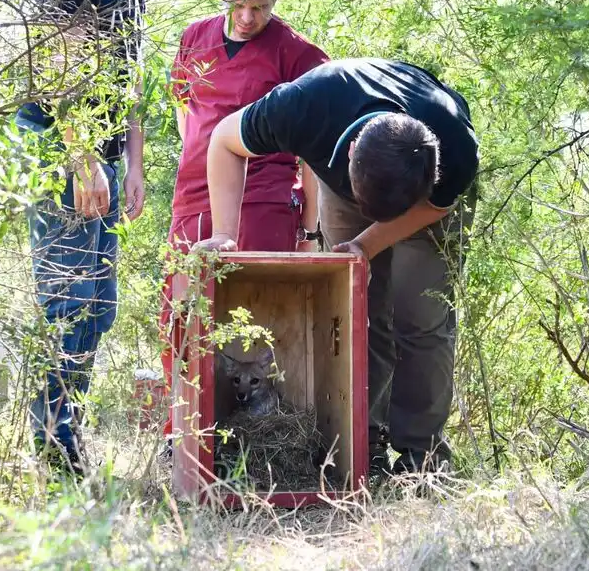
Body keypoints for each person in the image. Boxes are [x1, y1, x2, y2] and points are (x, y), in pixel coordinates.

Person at [193, 58, 479, 476]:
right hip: (350, 169)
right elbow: (223, 140)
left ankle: (423, 460)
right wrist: (222, 232)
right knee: (360, 314)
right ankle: (363, 446)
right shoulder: (304, 106)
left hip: (425, 203)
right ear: (347, 154)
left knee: (424, 318)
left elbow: (438, 205)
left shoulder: (453, 144)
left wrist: (367, 242)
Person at [16, 0, 185, 475]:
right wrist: (82, 156)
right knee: (68, 300)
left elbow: (129, 76)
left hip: (106, 158)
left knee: (100, 306)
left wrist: (132, 161)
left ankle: (70, 426)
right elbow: (55, 66)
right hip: (60, 148)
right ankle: (51, 442)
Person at [159, 0, 329, 446]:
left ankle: (263, 439)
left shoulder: (297, 53)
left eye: (262, 6)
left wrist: (310, 229)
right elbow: (185, 111)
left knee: (255, 316)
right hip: (193, 200)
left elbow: (313, 149)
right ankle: (186, 435)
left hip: (264, 198)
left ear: (275, 0)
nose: (250, 16)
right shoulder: (194, 38)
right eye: (240, 4)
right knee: (181, 315)